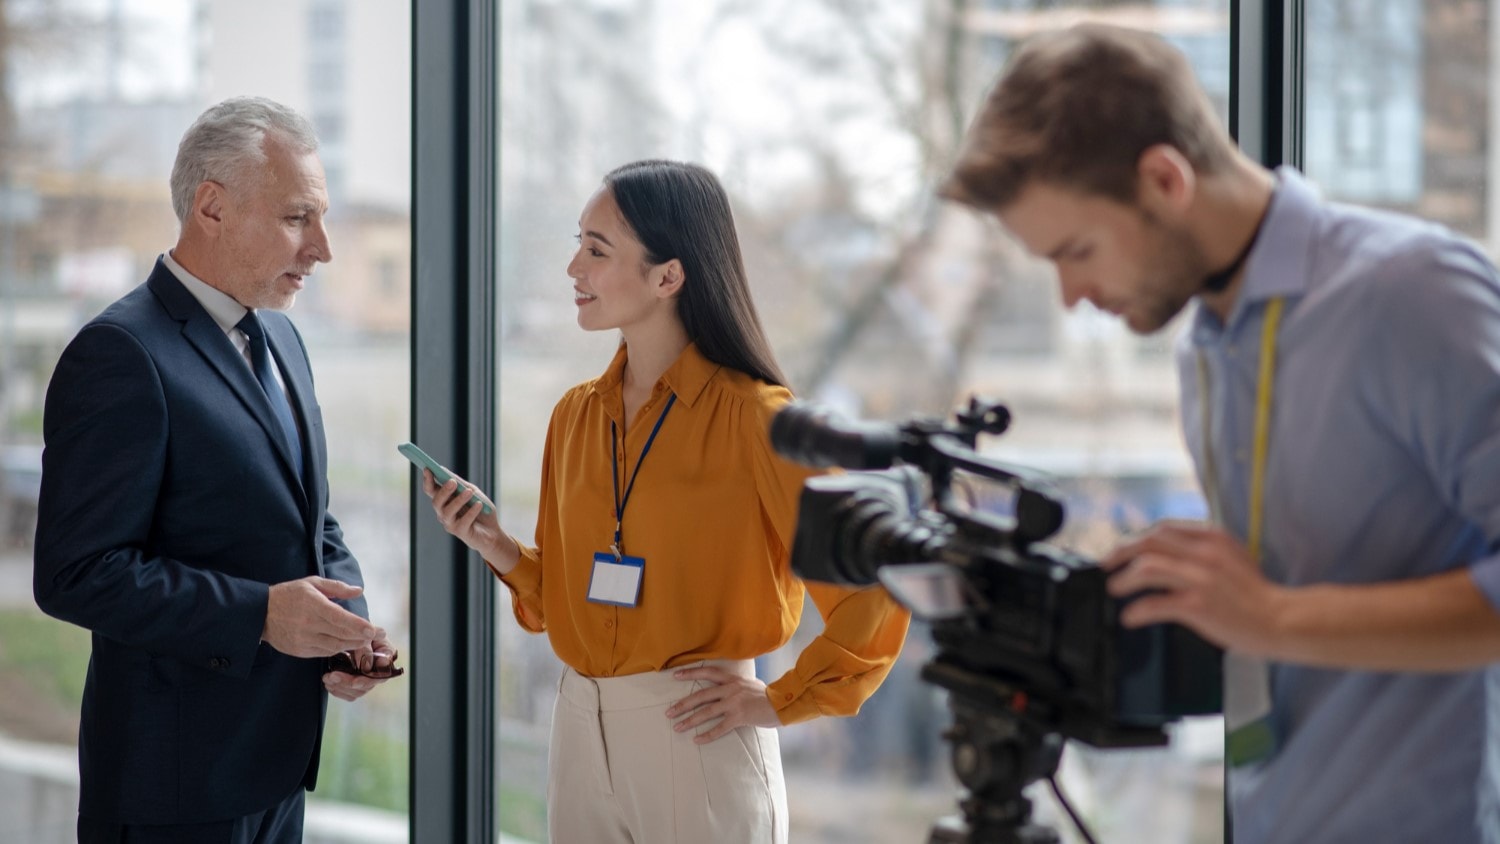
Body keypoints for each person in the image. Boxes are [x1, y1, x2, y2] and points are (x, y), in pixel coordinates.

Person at [940, 23, 1500, 844]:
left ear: (1165, 180)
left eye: (1079, 251)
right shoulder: (1204, 343)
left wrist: (1274, 617)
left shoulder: (1413, 293)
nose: (1071, 296)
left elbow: (1278, 615)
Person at [422, 159, 911, 843]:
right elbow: (571, 601)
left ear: (668, 276)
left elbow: (872, 587)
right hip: (578, 729)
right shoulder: (575, 417)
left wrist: (780, 699)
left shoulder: (760, 420)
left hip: (698, 732)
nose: (573, 270)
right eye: (577, 245)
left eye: (597, 250)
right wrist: (495, 544)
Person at [33, 96, 399, 844]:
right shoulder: (120, 355)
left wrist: (346, 624)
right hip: (173, 790)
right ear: (211, 208)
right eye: (299, 218)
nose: (323, 248)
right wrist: (263, 614)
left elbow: (308, 515)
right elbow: (76, 572)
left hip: (278, 771)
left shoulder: (284, 341)